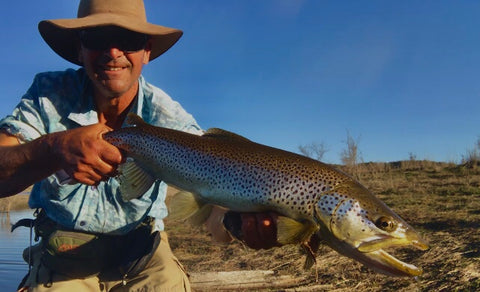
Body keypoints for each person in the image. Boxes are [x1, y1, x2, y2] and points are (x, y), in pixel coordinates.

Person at [0, 0, 279, 291]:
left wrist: (239, 225)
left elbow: (212, 210)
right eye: (97, 37)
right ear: (79, 49)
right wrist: (52, 148)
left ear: (146, 51)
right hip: (64, 256)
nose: (113, 52)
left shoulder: (169, 117)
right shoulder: (48, 95)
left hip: (142, 255)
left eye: (128, 40)